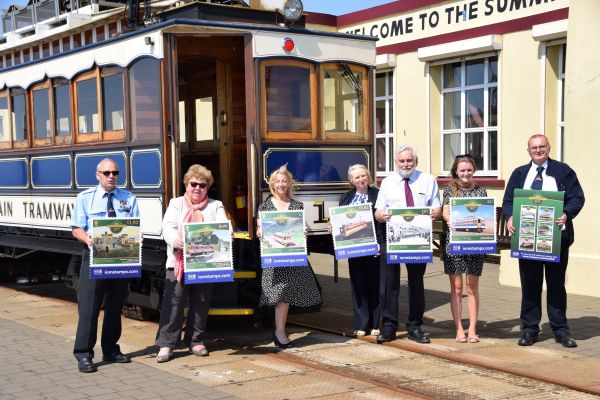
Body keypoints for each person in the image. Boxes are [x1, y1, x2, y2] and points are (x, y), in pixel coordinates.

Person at [502, 134, 584, 348]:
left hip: (555, 237)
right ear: (528, 150)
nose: (538, 150)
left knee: (556, 285)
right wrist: (510, 217)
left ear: (548, 147)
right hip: (527, 239)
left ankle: (560, 330)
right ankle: (530, 329)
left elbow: (577, 197)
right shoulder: (520, 173)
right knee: (530, 285)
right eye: (533, 148)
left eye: (542, 147)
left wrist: (567, 213)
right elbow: (509, 200)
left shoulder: (562, 171)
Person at [71, 158, 139, 373]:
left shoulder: (129, 198)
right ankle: (83, 354)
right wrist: (88, 239)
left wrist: (139, 237)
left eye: (115, 173)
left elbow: (135, 225)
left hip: (120, 259)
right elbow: (76, 229)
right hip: (94, 258)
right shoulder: (85, 198)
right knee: (89, 308)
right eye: (107, 172)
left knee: (115, 307)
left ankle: (110, 349)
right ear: (97, 175)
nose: (112, 176)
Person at [155, 164, 229, 362]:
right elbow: (167, 227)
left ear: (208, 187)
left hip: (205, 264)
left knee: (201, 301)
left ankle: (196, 340)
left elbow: (224, 227)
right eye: (193, 184)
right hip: (178, 262)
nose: (197, 188)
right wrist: (175, 239)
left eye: (202, 185)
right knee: (174, 302)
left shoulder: (216, 205)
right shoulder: (176, 203)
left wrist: (226, 233)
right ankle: (166, 344)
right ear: (186, 185)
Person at [374, 145, 441, 344]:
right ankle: (389, 327)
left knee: (416, 283)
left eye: (409, 160)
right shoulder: (387, 182)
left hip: (417, 241)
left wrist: (435, 212)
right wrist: (381, 216)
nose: (405, 164)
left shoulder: (428, 180)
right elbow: (378, 211)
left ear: (415, 162)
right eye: (402, 161)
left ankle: (415, 326)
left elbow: (436, 206)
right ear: (396, 163)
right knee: (390, 283)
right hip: (393, 238)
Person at [257, 165, 322, 348]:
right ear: (272, 184)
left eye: (284, 181)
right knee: (279, 296)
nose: (281, 184)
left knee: (285, 296)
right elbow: (259, 229)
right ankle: (279, 331)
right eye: (277, 181)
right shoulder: (265, 206)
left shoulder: (296, 206)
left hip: (291, 258)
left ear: (289, 183)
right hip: (275, 258)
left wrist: (304, 231)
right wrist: (260, 231)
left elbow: (301, 229)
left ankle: (279, 331)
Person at [442, 155, 486, 343]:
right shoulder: (449, 189)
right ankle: (459, 328)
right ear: (456, 172)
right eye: (462, 170)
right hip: (455, 243)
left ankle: (473, 329)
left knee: (472, 286)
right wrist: (450, 220)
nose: (466, 173)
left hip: (475, 243)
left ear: (473, 170)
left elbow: (485, 214)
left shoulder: (481, 191)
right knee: (457, 288)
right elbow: (445, 211)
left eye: (469, 170)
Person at [338, 164, 384, 337]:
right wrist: (333, 227)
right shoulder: (346, 197)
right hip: (354, 249)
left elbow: (380, 222)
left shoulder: (377, 194)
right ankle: (361, 324)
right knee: (358, 286)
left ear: (368, 176)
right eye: (357, 177)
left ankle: (374, 324)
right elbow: (340, 221)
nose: (361, 179)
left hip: (374, 248)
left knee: (374, 285)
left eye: (363, 176)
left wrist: (380, 243)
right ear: (351, 180)